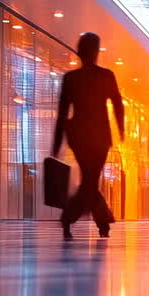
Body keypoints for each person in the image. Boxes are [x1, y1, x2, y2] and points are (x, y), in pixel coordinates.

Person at [53, 32, 124, 240]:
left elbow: (62, 112)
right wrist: (120, 129)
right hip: (100, 136)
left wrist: (57, 141)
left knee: (89, 180)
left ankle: (72, 221)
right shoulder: (106, 75)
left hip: (79, 135)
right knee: (91, 180)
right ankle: (98, 222)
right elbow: (117, 104)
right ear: (96, 51)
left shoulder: (71, 78)